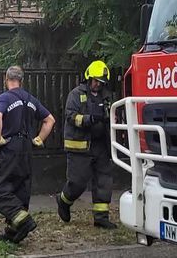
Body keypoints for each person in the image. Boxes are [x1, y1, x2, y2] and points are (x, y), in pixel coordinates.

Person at [0, 66, 55, 243]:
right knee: (19, 188)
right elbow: (50, 120)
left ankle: (23, 221)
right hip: (27, 147)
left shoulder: (5, 97)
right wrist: (39, 139)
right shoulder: (31, 99)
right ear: (21, 81)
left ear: (6, 79)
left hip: (10, 147)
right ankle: (13, 231)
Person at [56, 60, 116, 229]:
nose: (98, 84)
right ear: (89, 78)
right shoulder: (76, 94)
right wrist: (90, 119)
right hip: (80, 146)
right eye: (95, 80)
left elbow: (115, 115)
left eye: (101, 82)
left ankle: (101, 217)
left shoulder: (107, 96)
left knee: (104, 180)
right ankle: (63, 201)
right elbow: (70, 116)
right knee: (77, 182)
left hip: (101, 146)